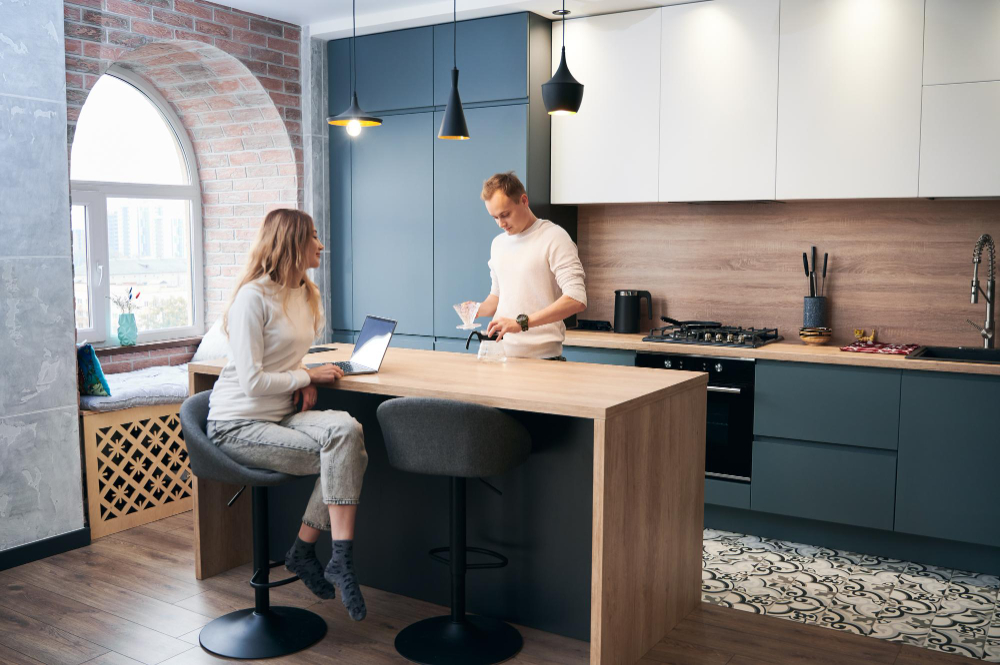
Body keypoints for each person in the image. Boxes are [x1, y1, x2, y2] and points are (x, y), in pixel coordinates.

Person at [206, 208, 368, 621]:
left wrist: (304, 377)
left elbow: (289, 356)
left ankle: (311, 552)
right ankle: (335, 559)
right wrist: (303, 376)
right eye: (313, 237)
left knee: (348, 432)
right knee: (342, 460)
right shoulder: (252, 298)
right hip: (237, 423)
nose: (321, 244)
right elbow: (251, 383)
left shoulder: (304, 293)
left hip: (280, 416)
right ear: (292, 244)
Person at [475, 172, 587, 359]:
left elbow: (576, 299)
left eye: (505, 214)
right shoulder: (498, 244)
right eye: (494, 217)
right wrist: (475, 309)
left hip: (543, 359)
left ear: (524, 200)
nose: (501, 223)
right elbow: (497, 296)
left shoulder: (554, 238)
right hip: (501, 355)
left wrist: (522, 323)